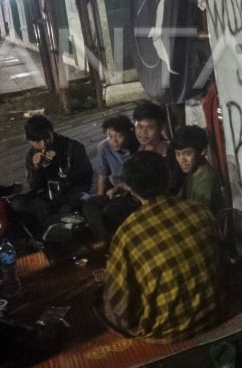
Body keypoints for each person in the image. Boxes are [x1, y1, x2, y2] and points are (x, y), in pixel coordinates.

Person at [100, 152, 221, 342]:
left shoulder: (127, 233)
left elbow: (119, 302)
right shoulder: (201, 211)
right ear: (168, 177)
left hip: (167, 331)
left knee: (104, 301)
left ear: (130, 188)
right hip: (212, 313)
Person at [10, 115, 93, 236]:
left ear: (52, 130)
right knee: (17, 203)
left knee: (80, 202)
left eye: (46, 137)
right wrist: (37, 168)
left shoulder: (72, 147)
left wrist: (68, 176)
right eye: (37, 141)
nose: (43, 144)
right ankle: (55, 224)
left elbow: (87, 176)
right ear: (30, 141)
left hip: (71, 193)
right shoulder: (32, 156)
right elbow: (35, 186)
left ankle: (54, 226)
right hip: (47, 197)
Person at [83, 115, 140, 243]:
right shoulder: (104, 148)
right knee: (89, 204)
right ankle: (105, 238)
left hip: (133, 193)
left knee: (111, 212)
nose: (114, 141)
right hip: (115, 191)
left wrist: (118, 189)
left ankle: (111, 240)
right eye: (110, 136)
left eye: (119, 136)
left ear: (129, 133)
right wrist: (100, 197)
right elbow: (102, 175)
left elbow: (138, 182)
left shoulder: (138, 147)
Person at [171, 125, 225, 217]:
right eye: (178, 154)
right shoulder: (192, 172)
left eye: (187, 153)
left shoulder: (207, 181)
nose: (182, 159)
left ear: (202, 151)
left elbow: (197, 218)